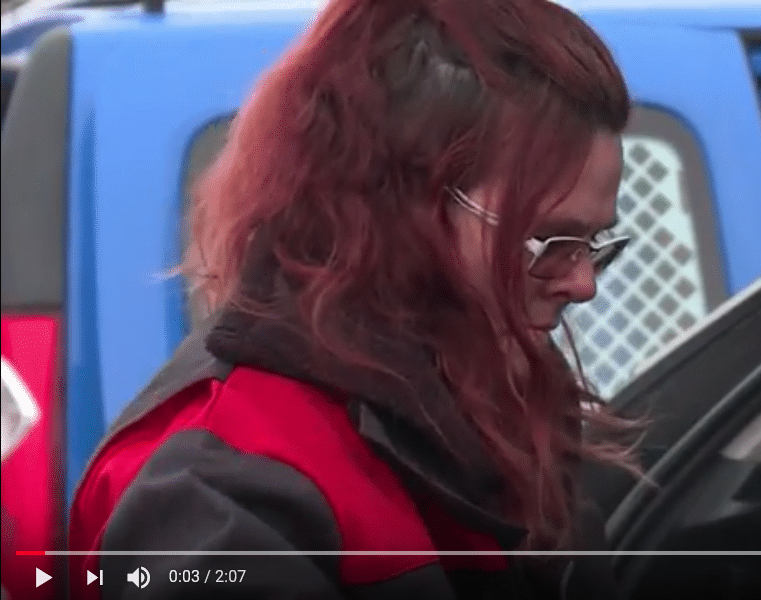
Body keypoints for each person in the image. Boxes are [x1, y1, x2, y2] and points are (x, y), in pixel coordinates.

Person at [68, 0, 643, 598]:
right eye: (550, 242)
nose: (583, 283)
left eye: (593, 243)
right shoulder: (225, 491)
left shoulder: (509, 403)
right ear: (400, 211)